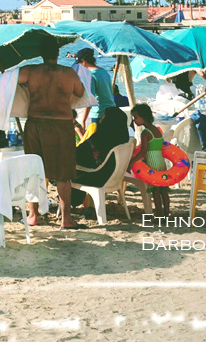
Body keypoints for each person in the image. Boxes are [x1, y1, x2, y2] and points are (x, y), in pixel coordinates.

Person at [18, 47, 86, 229]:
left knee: (33, 170)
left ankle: (33, 216)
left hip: (36, 123)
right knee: (64, 174)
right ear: (57, 53)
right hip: (61, 125)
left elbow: (11, 82)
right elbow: (80, 93)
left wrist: (27, 88)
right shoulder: (69, 73)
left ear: (41, 53)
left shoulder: (30, 71)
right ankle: (66, 219)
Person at [70, 107, 131, 217]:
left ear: (109, 120)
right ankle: (87, 205)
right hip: (112, 176)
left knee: (65, 172)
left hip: (97, 177)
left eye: (103, 117)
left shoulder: (101, 137)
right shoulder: (123, 138)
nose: (100, 120)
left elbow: (80, 153)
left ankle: (70, 204)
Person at [129, 104, 170, 214]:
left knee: (155, 191)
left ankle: (159, 214)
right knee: (163, 190)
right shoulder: (156, 130)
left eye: (136, 117)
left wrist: (131, 162)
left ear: (143, 117)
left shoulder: (145, 133)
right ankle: (167, 212)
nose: (134, 120)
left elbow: (143, 152)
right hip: (161, 161)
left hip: (152, 163)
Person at [72, 47, 115, 126]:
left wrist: (83, 120)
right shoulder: (103, 71)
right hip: (112, 111)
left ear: (83, 62)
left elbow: (90, 100)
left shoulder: (91, 75)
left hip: (99, 114)